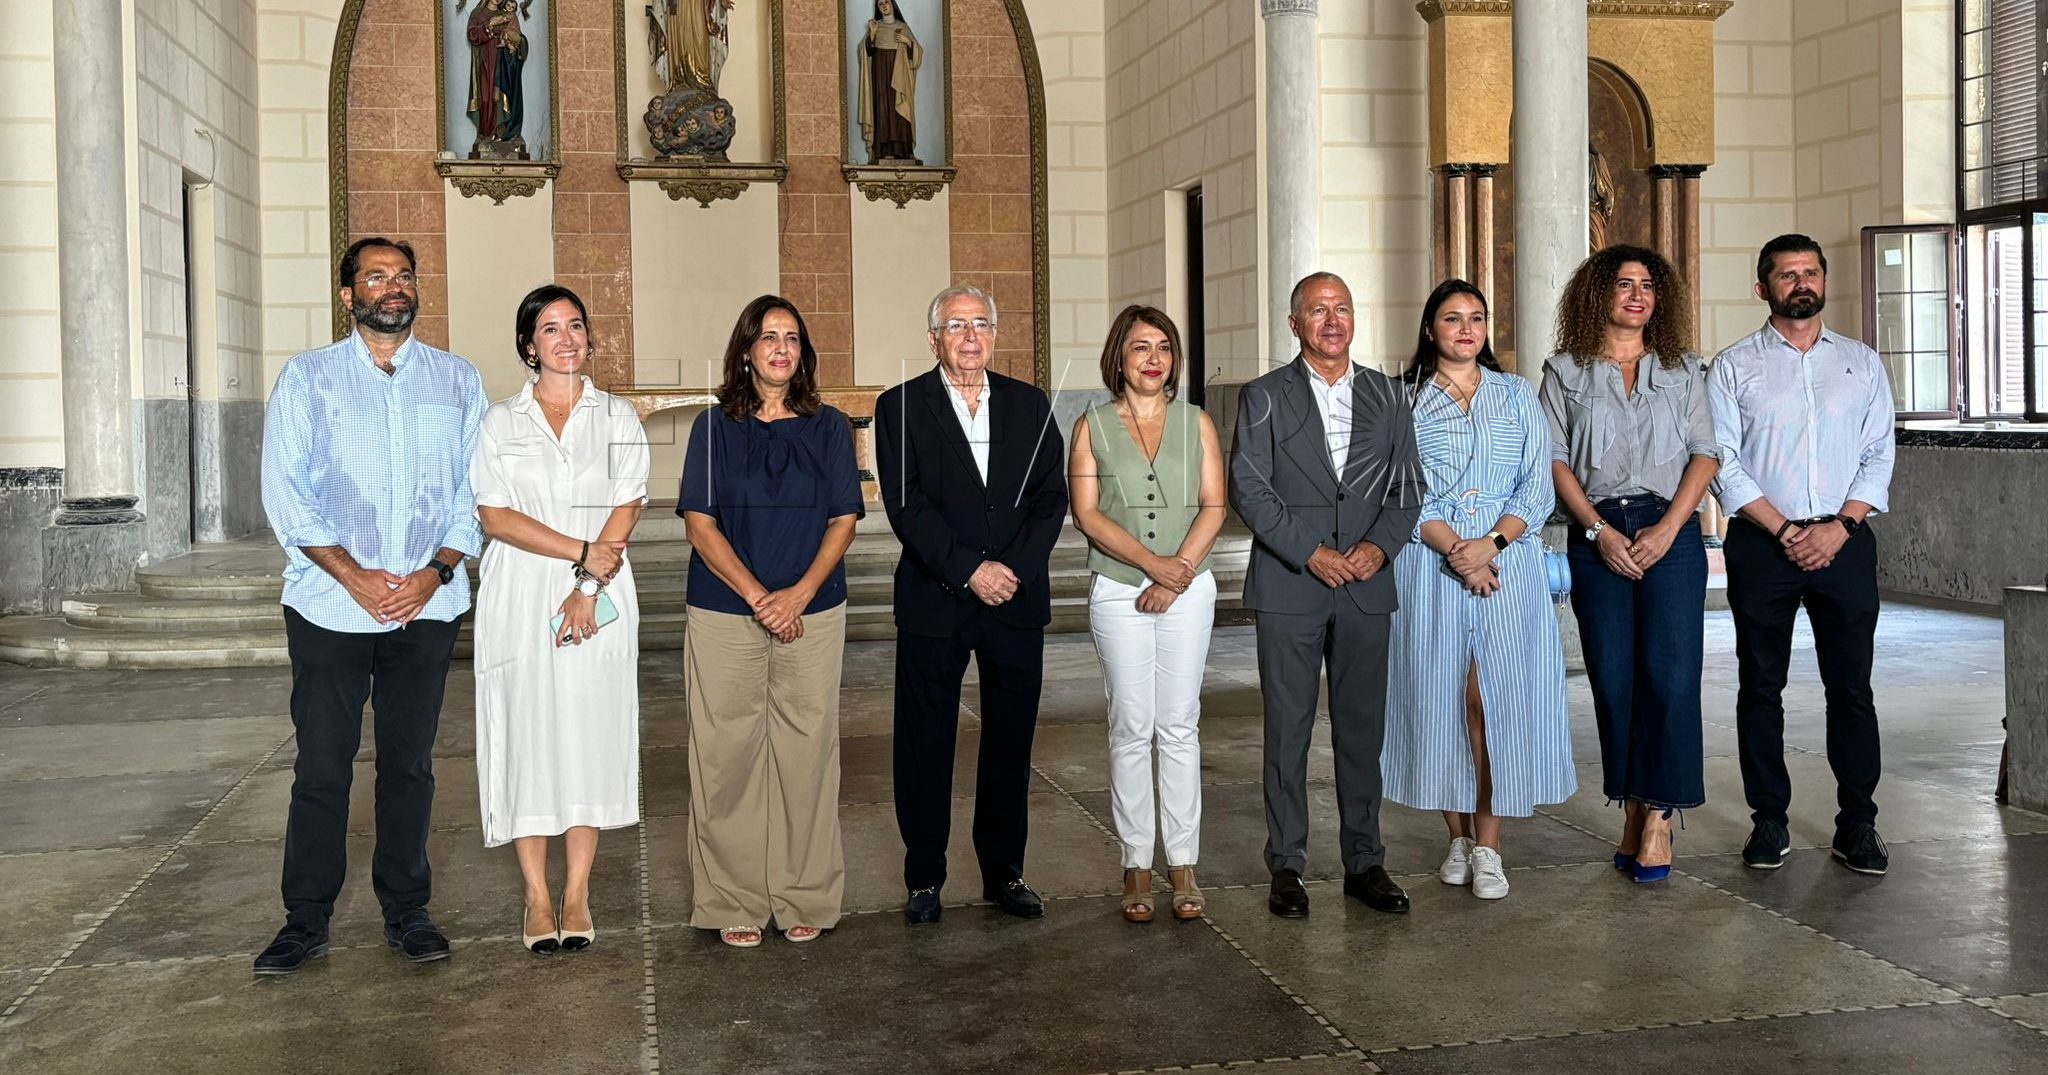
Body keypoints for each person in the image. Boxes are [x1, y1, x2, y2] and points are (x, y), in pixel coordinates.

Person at [253, 237, 487, 975]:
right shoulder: (308, 380)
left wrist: (435, 572)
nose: (394, 287)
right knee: (322, 765)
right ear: (348, 296)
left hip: (427, 606)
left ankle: (407, 908)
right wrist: (355, 576)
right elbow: (288, 495)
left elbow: (474, 492)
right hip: (329, 606)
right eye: (376, 277)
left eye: (404, 276)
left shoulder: (457, 380)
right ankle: (306, 918)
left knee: (410, 765)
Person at [1228, 272, 1424, 920]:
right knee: (1287, 731)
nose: (1332, 319)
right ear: (1295, 324)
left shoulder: (1390, 397)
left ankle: (1364, 861)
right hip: (1292, 585)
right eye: (1318, 310)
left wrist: (1377, 549)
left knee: (1362, 732)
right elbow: (1250, 490)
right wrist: (1311, 551)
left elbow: (1408, 491)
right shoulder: (1262, 397)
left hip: (1367, 586)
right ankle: (1286, 864)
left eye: (1342, 307)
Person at [877, 284, 1068, 926]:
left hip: (1015, 599)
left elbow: (1049, 500)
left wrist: (1009, 569)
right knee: (926, 741)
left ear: (996, 335)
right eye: (955, 324)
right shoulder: (899, 407)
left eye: (980, 323)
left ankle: (1003, 873)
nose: (969, 336)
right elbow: (906, 506)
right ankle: (925, 877)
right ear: (932, 338)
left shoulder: (1030, 405)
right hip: (937, 598)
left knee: (1010, 743)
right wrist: (969, 570)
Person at [680, 296, 864, 948]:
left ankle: (803, 892)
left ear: (802, 353)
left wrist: (799, 594)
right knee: (726, 753)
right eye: (768, 337)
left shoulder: (830, 427)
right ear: (746, 351)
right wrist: (761, 596)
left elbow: (844, 517)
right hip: (725, 609)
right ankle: (733, 895)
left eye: (791, 338)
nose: (780, 348)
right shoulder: (712, 428)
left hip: (814, 609)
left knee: (807, 753)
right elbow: (700, 523)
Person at [1710, 234, 1896, 876]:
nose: (1800, 283)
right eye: (1786, 275)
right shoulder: (1733, 366)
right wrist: (1786, 531)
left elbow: (1879, 454)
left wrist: (1842, 526)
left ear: (1824, 281)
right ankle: (1769, 821)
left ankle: (1859, 824)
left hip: (1845, 542)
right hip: (1763, 546)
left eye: (1809, 272)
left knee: (1851, 688)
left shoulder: (1863, 364)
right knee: (1761, 686)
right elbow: (1722, 462)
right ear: (1763, 289)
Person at [470, 285, 649, 954]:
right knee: (528, 734)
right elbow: (495, 516)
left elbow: (626, 504)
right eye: (551, 328)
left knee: (587, 735)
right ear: (528, 345)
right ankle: (536, 897)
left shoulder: (617, 416)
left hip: (598, 598)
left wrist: (587, 582)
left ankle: (576, 891)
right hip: (521, 593)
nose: (567, 337)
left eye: (576, 325)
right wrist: (578, 555)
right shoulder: (500, 423)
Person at [1385, 279, 1574, 901]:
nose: (1466, 329)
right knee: (1440, 696)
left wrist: (1489, 546)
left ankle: (1490, 844)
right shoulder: (1404, 401)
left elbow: (1537, 489)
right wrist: (1455, 552)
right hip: (1429, 564)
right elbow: (1401, 491)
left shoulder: (1518, 395)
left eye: (1476, 318)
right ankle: (1457, 836)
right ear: (1430, 329)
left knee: (1492, 700)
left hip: (1507, 565)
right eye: (1452, 318)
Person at [1538, 246, 1719, 884]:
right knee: (1614, 680)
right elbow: (1554, 459)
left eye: (1647, 286)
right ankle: (1635, 801)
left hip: (1671, 531)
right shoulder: (1563, 372)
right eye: (1623, 284)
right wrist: (1596, 530)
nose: (1637, 295)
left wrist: (1672, 529)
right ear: (1598, 296)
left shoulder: (1685, 368)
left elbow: (1706, 452)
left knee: (1670, 676)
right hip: (1598, 531)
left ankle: (1660, 818)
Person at [1069, 306, 1227, 923]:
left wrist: (1178, 571)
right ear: (1120, 357)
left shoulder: (1198, 423)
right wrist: (1150, 566)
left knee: (1180, 724)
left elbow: (1214, 506)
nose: (1153, 358)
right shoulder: (1092, 427)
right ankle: (1137, 861)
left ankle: (1183, 860)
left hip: (1190, 587)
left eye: (1163, 347)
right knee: (1132, 725)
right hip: (1118, 590)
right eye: (1140, 347)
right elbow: (1088, 513)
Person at [858, 0, 922, 163]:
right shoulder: (876, 26)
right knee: (882, 108)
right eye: (880, 4)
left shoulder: (903, 27)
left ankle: (904, 150)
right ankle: (882, 149)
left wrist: (908, 42)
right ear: (878, 8)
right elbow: (866, 52)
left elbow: (916, 56)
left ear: (893, 5)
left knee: (900, 108)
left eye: (887, 2)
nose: (884, 6)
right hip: (880, 73)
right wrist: (871, 36)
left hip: (898, 74)